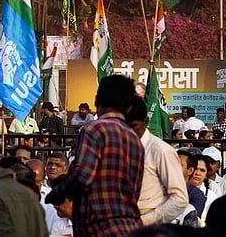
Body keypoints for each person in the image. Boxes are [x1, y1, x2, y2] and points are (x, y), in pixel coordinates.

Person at [46, 75, 143, 237]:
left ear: (97, 100)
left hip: (98, 227)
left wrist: (56, 193)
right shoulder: (135, 139)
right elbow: (135, 191)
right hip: (130, 227)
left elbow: (82, 177)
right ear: (127, 106)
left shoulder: (93, 130)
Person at [124, 95, 187, 225]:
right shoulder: (115, 148)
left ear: (145, 121)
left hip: (147, 227)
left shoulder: (161, 151)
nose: (128, 131)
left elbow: (180, 199)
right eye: (123, 127)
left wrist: (145, 220)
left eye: (133, 126)